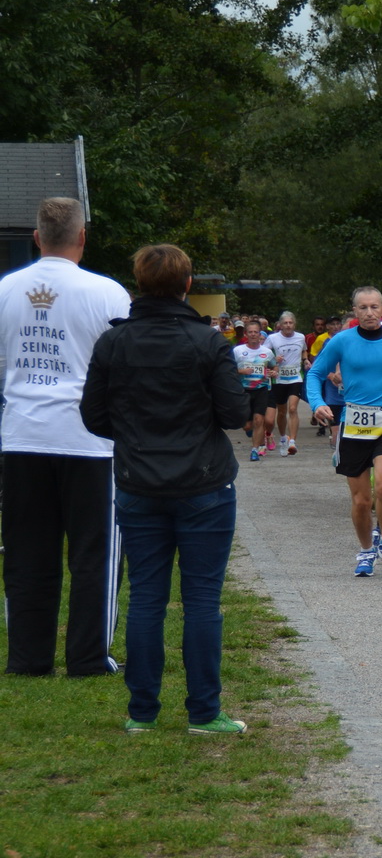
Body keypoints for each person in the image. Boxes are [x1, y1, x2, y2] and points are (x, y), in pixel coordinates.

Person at [80, 244, 251, 734]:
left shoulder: (114, 343)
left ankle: (142, 712)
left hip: (139, 483)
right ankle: (204, 712)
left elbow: (92, 415)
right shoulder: (207, 342)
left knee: (146, 598)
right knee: (202, 599)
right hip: (204, 483)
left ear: (138, 284)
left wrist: (134, 436)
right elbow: (234, 413)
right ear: (187, 285)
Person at [0, 196, 128, 677]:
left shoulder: (6, 289)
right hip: (88, 439)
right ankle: (89, 657)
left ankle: (28, 658)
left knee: (27, 552)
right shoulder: (107, 292)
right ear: (82, 236)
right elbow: (125, 367)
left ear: (37, 237)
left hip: (22, 435)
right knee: (95, 554)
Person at [305, 286, 382, 575]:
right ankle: (366, 551)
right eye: (363, 308)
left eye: (374, 307)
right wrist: (317, 403)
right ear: (354, 311)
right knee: (362, 500)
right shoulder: (342, 341)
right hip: (354, 423)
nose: (369, 313)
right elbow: (315, 373)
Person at [233, 320, 278, 461]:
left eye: (256, 332)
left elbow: (274, 366)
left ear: (260, 334)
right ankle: (250, 430)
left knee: (259, 420)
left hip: (261, 389)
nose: (253, 334)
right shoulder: (237, 351)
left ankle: (255, 449)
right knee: (247, 426)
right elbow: (228, 369)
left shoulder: (267, 352)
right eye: (250, 332)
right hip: (243, 390)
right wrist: (241, 371)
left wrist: (274, 372)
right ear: (246, 334)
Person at [266, 312, 308, 456]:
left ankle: (292, 441)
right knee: (282, 411)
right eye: (285, 323)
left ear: (294, 324)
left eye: (291, 323)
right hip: (279, 379)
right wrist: (274, 359)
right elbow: (264, 355)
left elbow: (304, 350)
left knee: (292, 408)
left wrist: (305, 360)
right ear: (280, 325)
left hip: (295, 377)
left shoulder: (300, 337)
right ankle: (283, 438)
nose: (288, 325)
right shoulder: (273, 338)